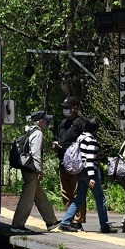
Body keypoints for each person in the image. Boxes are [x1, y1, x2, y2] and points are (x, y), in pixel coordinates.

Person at [59, 119, 116, 233]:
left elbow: (85, 155)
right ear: (95, 129)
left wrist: (95, 156)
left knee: (79, 199)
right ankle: (104, 225)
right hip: (90, 172)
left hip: (81, 172)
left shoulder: (81, 138)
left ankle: (65, 222)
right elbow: (89, 160)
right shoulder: (91, 140)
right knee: (100, 199)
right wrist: (91, 177)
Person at [11, 111, 61, 233]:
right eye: (45, 121)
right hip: (32, 169)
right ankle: (17, 225)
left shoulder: (29, 131)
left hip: (26, 168)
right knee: (27, 198)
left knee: (39, 196)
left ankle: (51, 221)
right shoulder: (38, 133)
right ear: (40, 121)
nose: (46, 123)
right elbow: (36, 153)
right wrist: (39, 170)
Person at [52, 96, 87, 229]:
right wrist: (55, 146)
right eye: (64, 108)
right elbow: (56, 138)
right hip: (63, 163)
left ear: (75, 108)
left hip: (76, 164)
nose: (65, 110)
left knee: (78, 191)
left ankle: (78, 221)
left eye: (68, 107)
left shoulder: (80, 123)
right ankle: (69, 217)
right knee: (65, 192)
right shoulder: (62, 123)